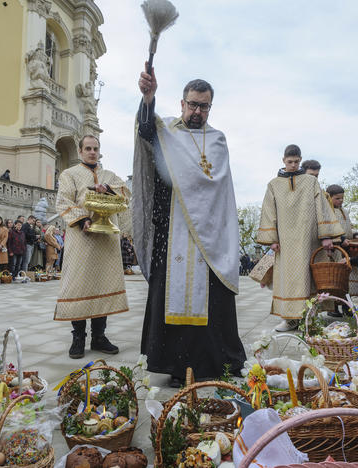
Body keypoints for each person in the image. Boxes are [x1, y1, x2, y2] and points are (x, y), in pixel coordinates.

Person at [134, 67, 246, 387]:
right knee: (170, 294)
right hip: (172, 228)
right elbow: (144, 128)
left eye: (204, 106)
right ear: (181, 103)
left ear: (211, 107)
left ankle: (215, 362)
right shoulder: (166, 130)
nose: (197, 112)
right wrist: (147, 97)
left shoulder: (217, 140)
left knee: (212, 299)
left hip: (208, 232)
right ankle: (174, 365)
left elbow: (218, 186)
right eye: (192, 104)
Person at [55, 135, 129, 359]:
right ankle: (78, 337)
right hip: (81, 238)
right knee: (78, 285)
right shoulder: (69, 175)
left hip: (106, 240)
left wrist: (107, 189)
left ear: (99, 151)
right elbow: (63, 202)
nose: (92, 152)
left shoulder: (110, 176)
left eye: (95, 148)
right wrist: (82, 219)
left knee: (102, 283)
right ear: (80, 152)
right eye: (87, 148)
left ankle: (99, 337)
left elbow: (126, 194)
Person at [256, 144, 343, 332]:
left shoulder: (311, 182)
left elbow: (321, 207)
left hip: (308, 238)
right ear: (283, 161)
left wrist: (326, 236)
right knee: (287, 279)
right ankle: (289, 320)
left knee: (309, 278)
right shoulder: (273, 185)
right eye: (290, 162)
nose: (293, 165)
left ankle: (309, 319)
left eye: (296, 161)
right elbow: (269, 211)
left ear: (300, 160)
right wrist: (272, 238)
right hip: (285, 242)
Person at [326, 184, 358, 314]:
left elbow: (349, 226)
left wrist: (355, 234)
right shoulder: (327, 212)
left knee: (347, 279)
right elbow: (329, 229)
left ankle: (346, 305)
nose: (340, 201)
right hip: (334, 251)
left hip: (347, 250)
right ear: (329, 198)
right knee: (335, 280)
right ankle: (332, 307)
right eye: (337, 198)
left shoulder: (344, 211)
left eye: (342, 198)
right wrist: (341, 238)